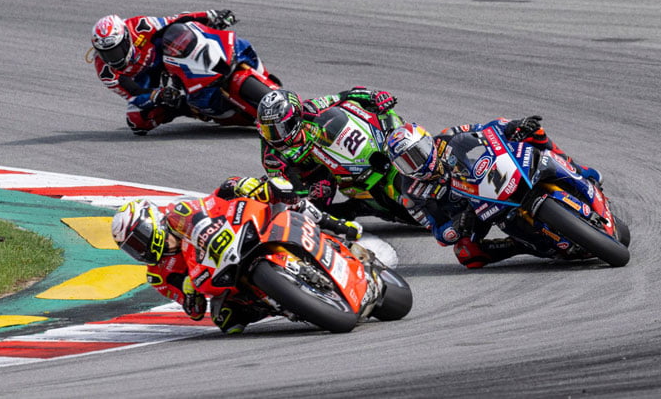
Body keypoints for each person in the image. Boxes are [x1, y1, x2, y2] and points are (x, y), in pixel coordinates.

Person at [111, 176, 363, 334]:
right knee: (227, 321)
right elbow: (195, 312)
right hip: (219, 276)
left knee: (277, 193)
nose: (139, 249)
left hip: (235, 237)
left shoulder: (178, 212)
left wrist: (240, 185)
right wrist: (189, 293)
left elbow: (215, 198)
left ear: (151, 222)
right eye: (131, 248)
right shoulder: (158, 275)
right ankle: (289, 304)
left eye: (138, 240)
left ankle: (335, 225)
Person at [385, 116, 604, 269]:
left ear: (427, 141)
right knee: (467, 254)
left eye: (417, 154)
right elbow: (438, 232)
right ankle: (520, 245)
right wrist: (454, 227)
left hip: (488, 179)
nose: (415, 164)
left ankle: (577, 169)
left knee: (534, 132)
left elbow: (487, 130)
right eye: (406, 163)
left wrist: (514, 126)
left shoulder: (447, 137)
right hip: (472, 212)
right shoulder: (411, 194)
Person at [255, 87, 399, 219]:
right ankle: (358, 208)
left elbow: (344, 96)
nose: (275, 136)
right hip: (314, 178)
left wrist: (374, 96)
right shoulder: (272, 157)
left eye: (280, 128)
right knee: (311, 215)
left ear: (296, 117)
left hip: (338, 154)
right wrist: (310, 192)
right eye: (268, 130)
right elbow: (289, 191)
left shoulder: (310, 108)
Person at [89, 9, 238, 135]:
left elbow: (175, 20)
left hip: (165, 54)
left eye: (116, 50)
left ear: (126, 38)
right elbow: (133, 93)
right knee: (138, 121)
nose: (113, 58)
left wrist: (210, 15)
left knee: (179, 31)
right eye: (106, 53)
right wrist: (157, 95)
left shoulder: (141, 26)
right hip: (145, 78)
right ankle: (189, 108)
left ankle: (224, 55)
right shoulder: (106, 71)